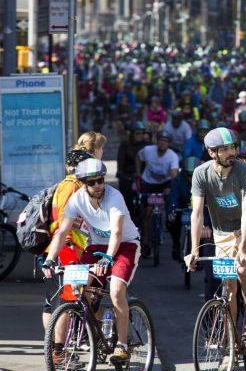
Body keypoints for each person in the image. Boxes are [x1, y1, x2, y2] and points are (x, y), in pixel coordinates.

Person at [42, 159, 142, 366]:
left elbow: (116, 232)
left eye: (100, 180)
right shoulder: (77, 199)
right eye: (92, 182)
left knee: (115, 291)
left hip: (125, 245)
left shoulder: (114, 197)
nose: (97, 185)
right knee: (79, 288)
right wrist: (50, 260)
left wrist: (107, 260)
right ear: (83, 183)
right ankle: (98, 332)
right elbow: (62, 232)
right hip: (96, 247)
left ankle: (121, 345)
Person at [187, 128, 246, 348]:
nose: (232, 152)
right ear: (212, 152)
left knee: (242, 270)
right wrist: (194, 250)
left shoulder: (245, 172)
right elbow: (197, 213)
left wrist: (242, 249)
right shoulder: (201, 174)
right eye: (225, 149)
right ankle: (232, 342)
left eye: (234, 147)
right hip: (222, 232)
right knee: (228, 286)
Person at [42, 149, 93, 364]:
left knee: (52, 303)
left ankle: (57, 349)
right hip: (67, 250)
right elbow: (63, 222)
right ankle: (59, 353)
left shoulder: (70, 185)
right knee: (65, 302)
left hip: (65, 248)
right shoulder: (71, 186)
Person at [136, 131, 179, 257]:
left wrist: (171, 187)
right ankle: (146, 242)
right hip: (148, 183)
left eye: (165, 141)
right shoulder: (148, 150)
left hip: (164, 184)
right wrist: (138, 173)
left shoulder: (172, 156)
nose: (162, 143)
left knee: (170, 208)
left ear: (169, 144)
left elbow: (174, 173)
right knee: (147, 213)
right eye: (160, 140)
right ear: (156, 141)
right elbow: (138, 157)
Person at [166, 156, 198, 261]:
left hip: (199, 206)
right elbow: (173, 196)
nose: (190, 177)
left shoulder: (205, 179)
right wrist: (172, 210)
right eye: (188, 175)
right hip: (181, 205)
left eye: (193, 174)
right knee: (172, 221)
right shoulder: (177, 180)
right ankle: (176, 243)